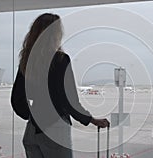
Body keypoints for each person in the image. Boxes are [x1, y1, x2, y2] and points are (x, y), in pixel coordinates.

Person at [17, 13, 110, 158]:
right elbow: (69, 100)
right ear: (55, 34)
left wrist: (33, 114)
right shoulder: (60, 60)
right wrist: (90, 119)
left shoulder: (27, 60)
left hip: (31, 131)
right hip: (55, 130)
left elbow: (16, 99)